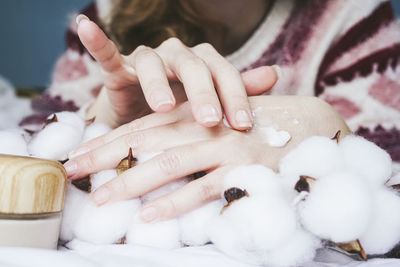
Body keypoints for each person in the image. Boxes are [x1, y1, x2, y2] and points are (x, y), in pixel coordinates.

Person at [24, 0, 400, 223]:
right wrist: (107, 116)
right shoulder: (108, 15)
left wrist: (331, 135)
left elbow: (389, 206)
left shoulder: (350, 17)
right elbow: (21, 157)